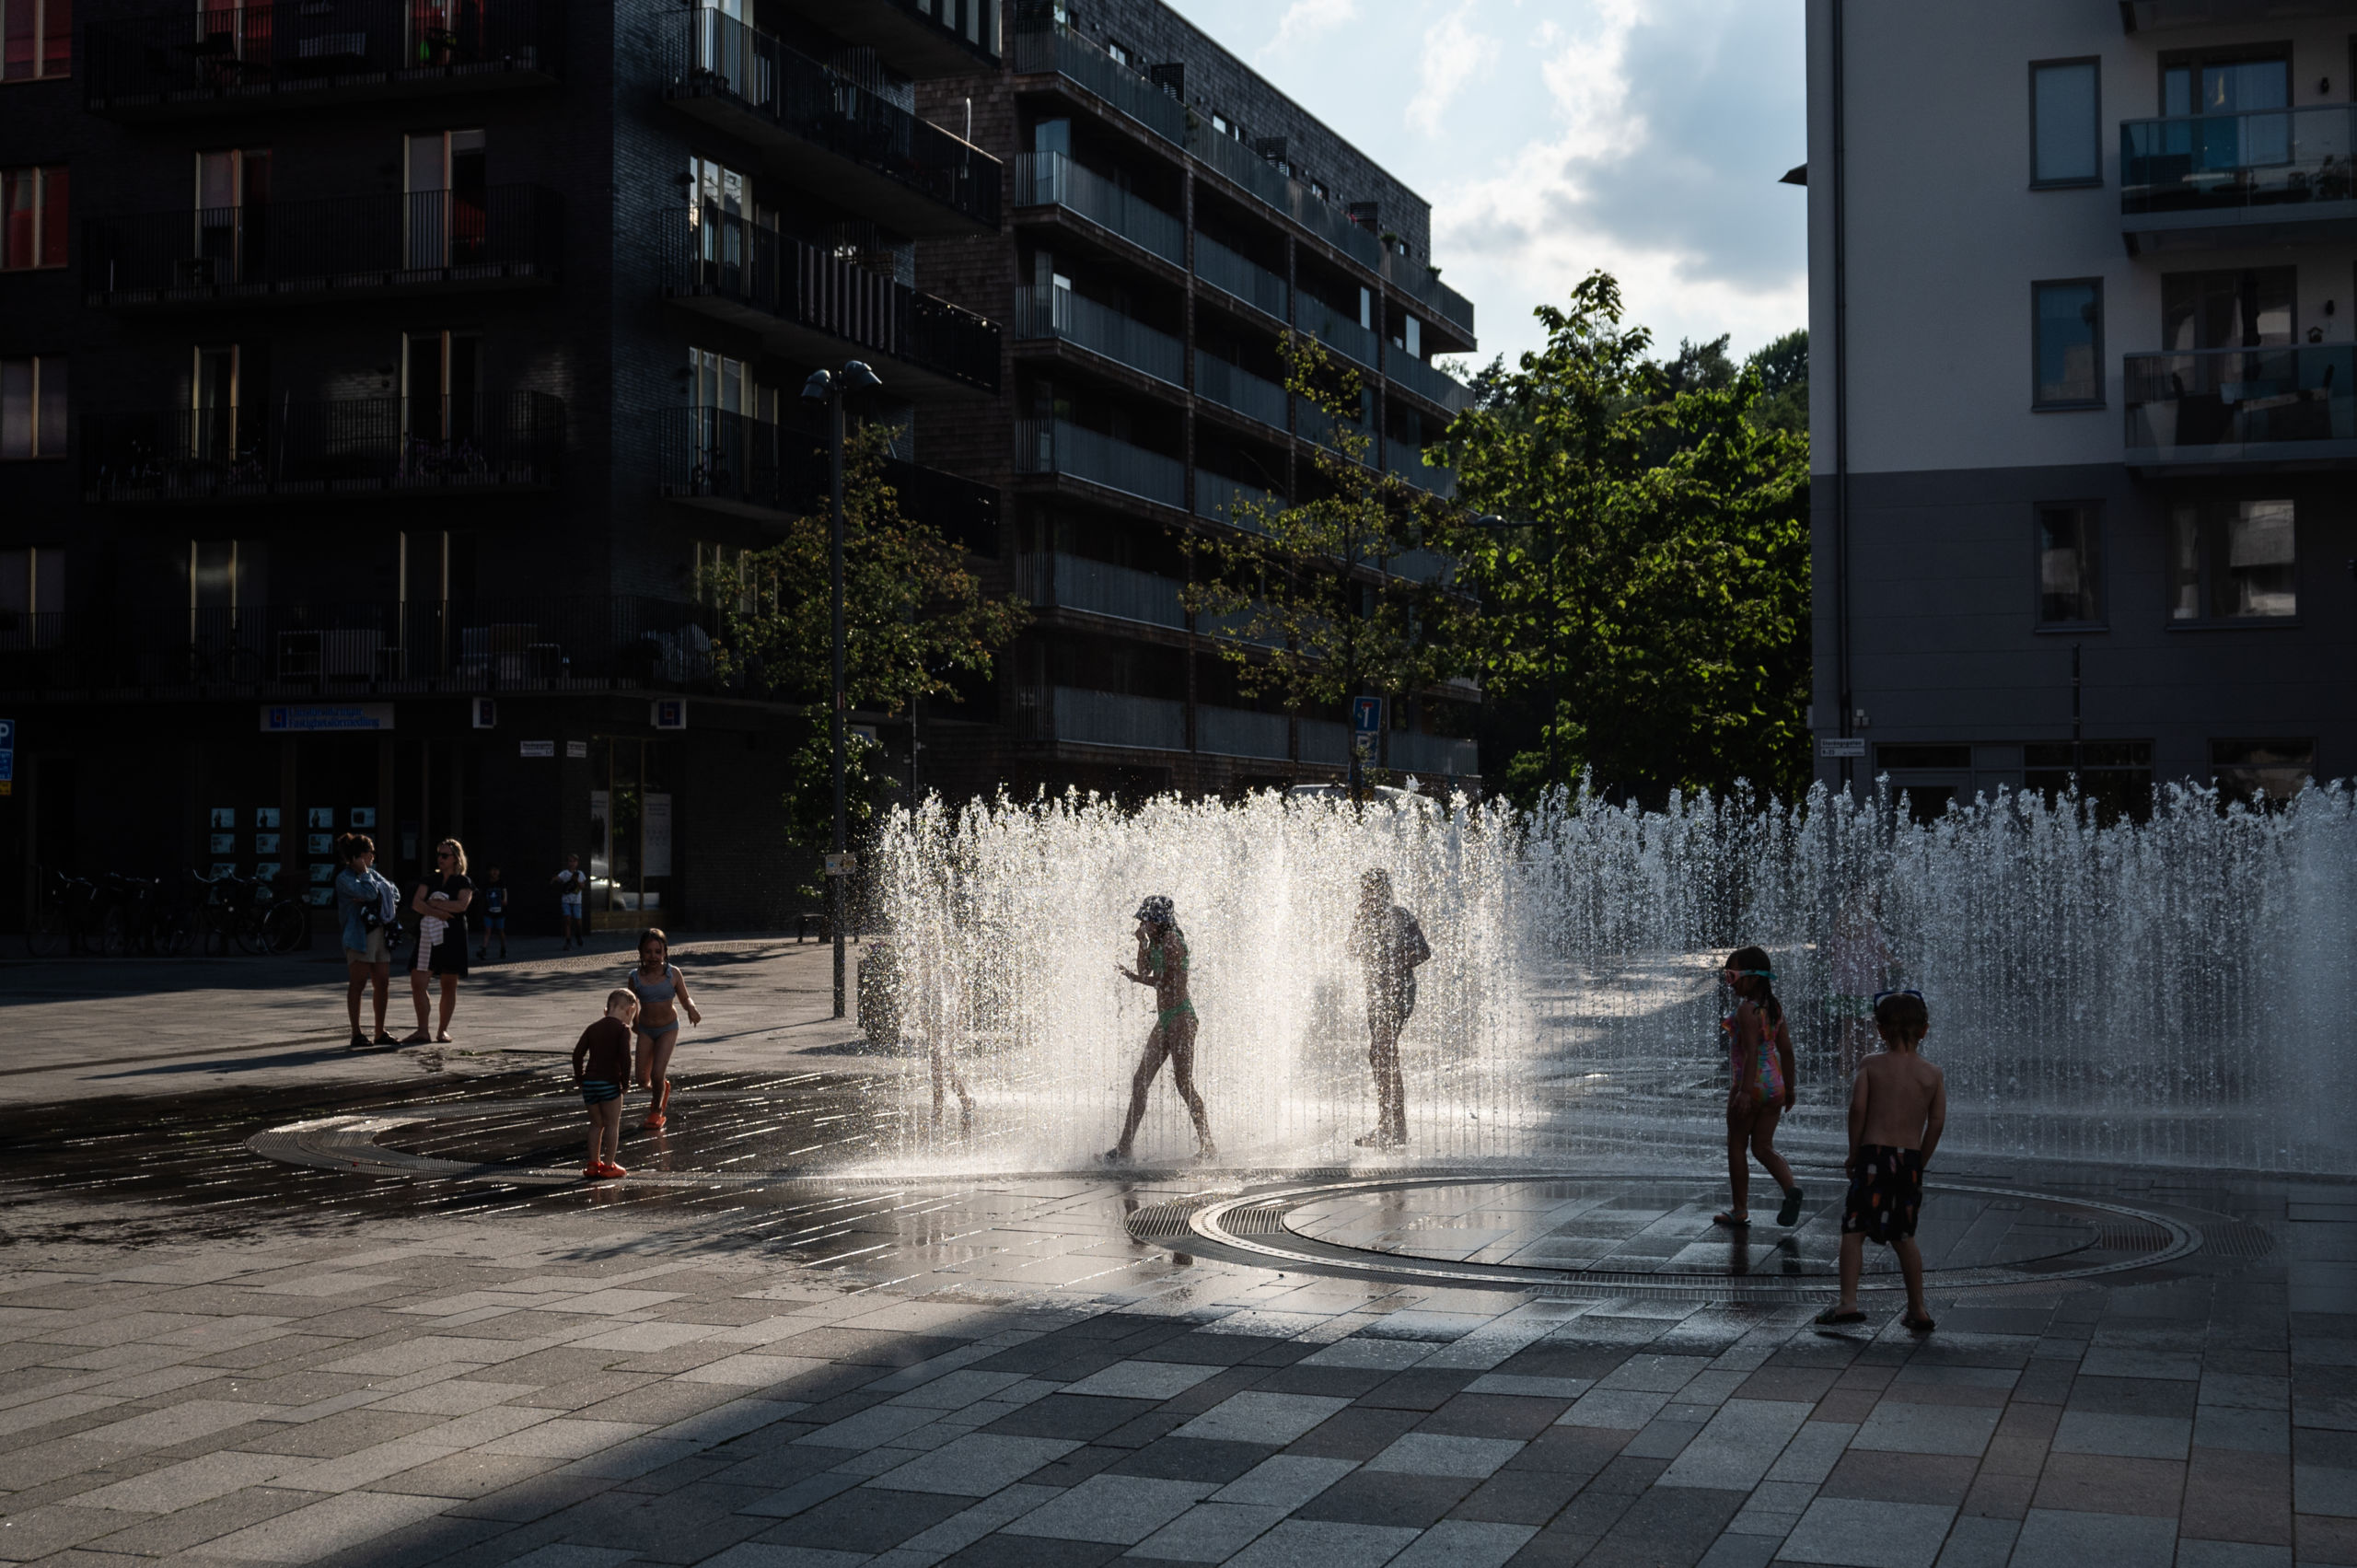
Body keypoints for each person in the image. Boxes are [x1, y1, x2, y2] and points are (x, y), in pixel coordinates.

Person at [1819, 989, 1946, 1332]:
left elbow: (1857, 1109)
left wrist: (1853, 1151)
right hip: (1908, 1160)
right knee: (1904, 1235)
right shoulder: (1932, 1074)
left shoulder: (1871, 1065)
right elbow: (1936, 1122)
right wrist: (1921, 1158)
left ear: (1880, 1031)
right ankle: (1918, 1308)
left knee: (1854, 1229)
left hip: (1874, 1155)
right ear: (1925, 1029)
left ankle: (1848, 1302)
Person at [1105, 895, 1216, 1165]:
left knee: (1183, 1084)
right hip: (1167, 1019)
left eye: (1147, 919)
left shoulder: (1173, 943)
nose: (1143, 923)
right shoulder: (1156, 942)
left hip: (1181, 1020)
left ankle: (1209, 1146)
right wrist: (1141, 944)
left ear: (1159, 921)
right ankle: (1124, 1149)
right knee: (1140, 1079)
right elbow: (1146, 969)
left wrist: (1136, 977)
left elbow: (1163, 982)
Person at [1715, 947, 1804, 1230]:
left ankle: (1740, 1209)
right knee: (1764, 1147)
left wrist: (1742, 1092)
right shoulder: (1774, 1009)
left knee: (1737, 1146)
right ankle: (1790, 1188)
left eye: (1732, 976)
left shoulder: (1745, 1010)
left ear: (1753, 978)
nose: (1730, 983)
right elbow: (1787, 1051)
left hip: (1749, 1086)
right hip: (1774, 1086)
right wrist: (1789, 1089)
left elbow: (1751, 1053)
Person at [1347, 869, 1430, 1149]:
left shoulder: (1399, 916)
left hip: (1396, 994)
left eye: (1373, 889)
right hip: (1376, 996)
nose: (1368, 895)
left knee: (1384, 1053)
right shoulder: (1365, 919)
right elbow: (1350, 950)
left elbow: (1423, 951)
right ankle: (1394, 1126)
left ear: (1384, 890)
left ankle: (1390, 1127)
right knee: (1380, 1056)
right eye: (1365, 890)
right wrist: (1359, 921)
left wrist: (1397, 962)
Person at [626, 927, 700, 1130]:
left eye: (658, 951)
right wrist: (631, 1022)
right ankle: (661, 1087)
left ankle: (656, 1111)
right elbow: (631, 1004)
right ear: (640, 952)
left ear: (665, 952)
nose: (653, 956)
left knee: (658, 1073)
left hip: (668, 1028)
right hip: (646, 1030)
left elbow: (685, 997)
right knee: (642, 1080)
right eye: (648, 952)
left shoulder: (673, 974)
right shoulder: (635, 977)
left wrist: (691, 1008)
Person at [401, 839, 473, 1045]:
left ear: (455, 859)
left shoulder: (463, 882)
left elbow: (462, 905)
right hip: (427, 936)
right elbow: (417, 903)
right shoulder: (429, 880)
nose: (440, 859)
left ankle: (442, 1031)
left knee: (449, 984)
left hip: (453, 936)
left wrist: (435, 904)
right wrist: (435, 910)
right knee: (418, 981)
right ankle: (422, 1030)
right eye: (439, 855)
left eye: (445, 855)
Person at [332, 833, 400, 1050]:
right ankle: (356, 1032)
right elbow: (372, 894)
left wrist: (372, 886)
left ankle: (380, 1031)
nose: (373, 856)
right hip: (359, 936)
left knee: (382, 981)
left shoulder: (372, 874)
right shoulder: (345, 878)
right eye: (370, 852)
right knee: (358, 983)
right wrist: (368, 881)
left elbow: (395, 893)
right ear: (358, 856)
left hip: (380, 935)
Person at [574, 988, 637, 1179]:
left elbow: (577, 1054)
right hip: (609, 1083)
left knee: (595, 1124)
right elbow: (626, 1059)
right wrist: (625, 1082)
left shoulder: (592, 1028)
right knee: (612, 1124)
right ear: (629, 1011)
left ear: (606, 1010)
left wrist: (580, 1077)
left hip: (590, 1084)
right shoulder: (622, 1030)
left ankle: (593, 1164)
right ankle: (609, 1165)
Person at [552, 854, 588, 949]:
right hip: (566, 900)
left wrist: (576, 881)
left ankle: (578, 934)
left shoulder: (580, 874)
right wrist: (555, 880)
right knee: (567, 920)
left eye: (573, 861)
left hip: (576, 901)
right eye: (570, 861)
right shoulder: (565, 873)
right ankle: (568, 941)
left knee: (578, 920)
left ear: (577, 863)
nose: (571, 863)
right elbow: (557, 878)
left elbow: (583, 886)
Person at [475, 866, 509, 961]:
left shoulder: (501, 882)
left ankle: (503, 948)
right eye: (492, 870)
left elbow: (504, 891)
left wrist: (505, 900)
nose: (494, 872)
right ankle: (484, 949)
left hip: (500, 910)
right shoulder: (486, 883)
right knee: (487, 930)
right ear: (489, 871)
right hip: (488, 910)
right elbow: (482, 895)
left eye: (496, 870)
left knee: (500, 931)